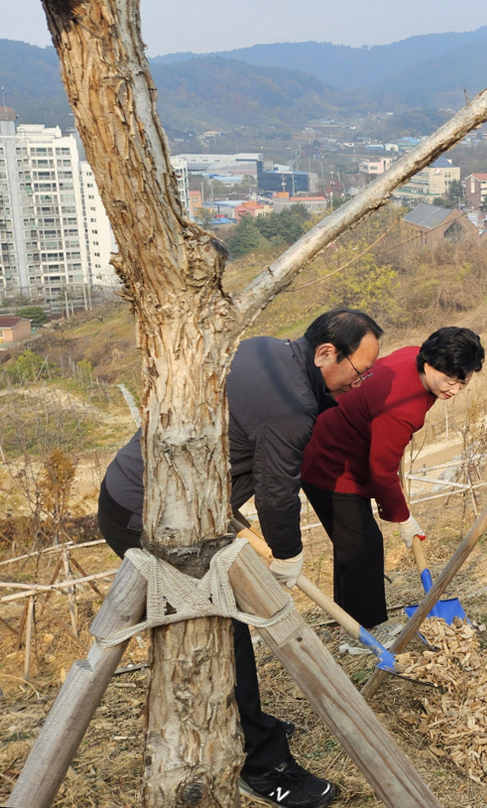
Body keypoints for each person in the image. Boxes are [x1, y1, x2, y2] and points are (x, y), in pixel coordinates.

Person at [98, 308, 381, 808]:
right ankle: (261, 763)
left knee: (215, 626)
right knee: (230, 627)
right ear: (325, 354)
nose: (359, 383)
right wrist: (289, 556)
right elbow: (277, 496)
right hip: (151, 514)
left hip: (160, 497)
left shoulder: (262, 348)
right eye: (358, 372)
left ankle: (232, 723)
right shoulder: (291, 405)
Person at [300, 326, 484, 628]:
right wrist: (403, 517)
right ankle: (366, 630)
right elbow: (382, 471)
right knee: (362, 542)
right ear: (430, 363)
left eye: (462, 385)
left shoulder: (413, 356)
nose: (454, 391)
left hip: (338, 444)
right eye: (450, 382)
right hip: (328, 459)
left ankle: (348, 619)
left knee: (352, 541)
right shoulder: (404, 406)